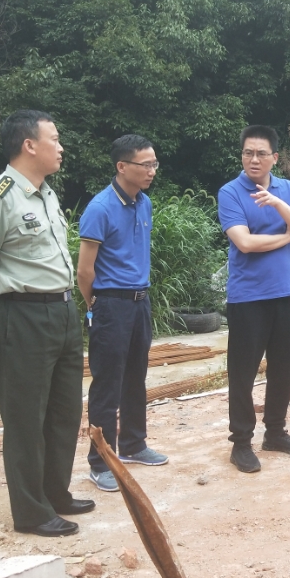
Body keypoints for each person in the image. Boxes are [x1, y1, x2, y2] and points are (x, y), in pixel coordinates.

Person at [0, 110, 91, 537]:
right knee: (25, 418)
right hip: (21, 314)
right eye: (54, 139)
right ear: (29, 145)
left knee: (64, 412)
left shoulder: (46, 194)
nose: (61, 147)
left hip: (62, 311)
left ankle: (55, 493)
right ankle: (32, 512)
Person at [218, 125, 290, 473]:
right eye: (248, 153)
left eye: (261, 153)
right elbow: (245, 243)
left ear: (275, 157)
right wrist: (288, 236)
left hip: (286, 293)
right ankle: (241, 443)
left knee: (284, 368)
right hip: (248, 297)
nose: (253, 159)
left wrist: (276, 203)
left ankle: (275, 433)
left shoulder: (288, 189)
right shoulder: (230, 192)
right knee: (242, 373)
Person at [78, 135, 169, 493]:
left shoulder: (143, 203)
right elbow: (85, 270)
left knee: (135, 376)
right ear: (122, 166)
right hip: (110, 303)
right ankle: (101, 461)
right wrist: (94, 304)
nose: (152, 171)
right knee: (107, 383)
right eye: (145, 164)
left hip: (140, 301)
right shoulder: (100, 208)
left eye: (154, 164)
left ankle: (133, 443)